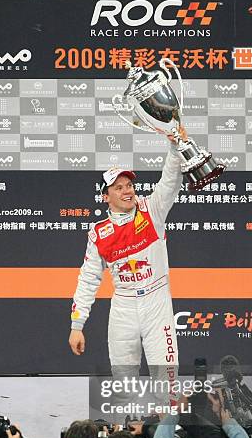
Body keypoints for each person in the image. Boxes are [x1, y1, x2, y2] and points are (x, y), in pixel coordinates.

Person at [69, 129, 187, 412]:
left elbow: (170, 180)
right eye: (119, 187)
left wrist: (174, 147)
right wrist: (77, 326)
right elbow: (88, 279)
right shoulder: (98, 232)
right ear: (105, 196)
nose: (127, 191)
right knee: (123, 382)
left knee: (166, 380)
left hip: (157, 301)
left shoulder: (152, 210)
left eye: (129, 185)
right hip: (123, 304)